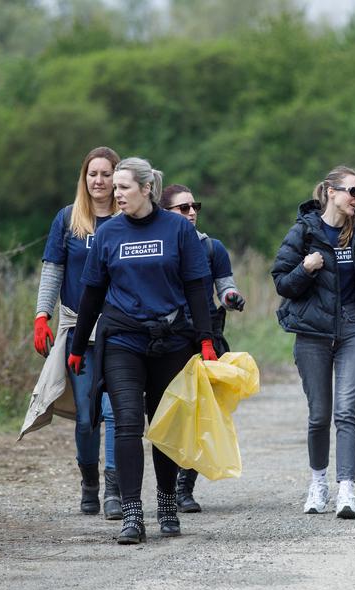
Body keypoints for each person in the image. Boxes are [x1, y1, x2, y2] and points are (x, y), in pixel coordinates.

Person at [68, 157, 217, 544]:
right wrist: (77, 345)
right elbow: (93, 292)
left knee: (165, 426)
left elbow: (198, 286)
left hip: (171, 340)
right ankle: (132, 513)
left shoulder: (177, 230)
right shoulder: (108, 234)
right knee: (129, 422)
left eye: (124, 187)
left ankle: (167, 503)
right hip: (122, 339)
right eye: (115, 188)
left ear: (146, 188)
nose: (117, 194)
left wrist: (205, 339)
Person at [271, 165, 355, 519]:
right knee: (319, 416)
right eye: (352, 191)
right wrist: (306, 268)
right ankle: (318, 484)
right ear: (330, 192)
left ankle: (346, 490)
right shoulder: (303, 232)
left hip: (353, 331)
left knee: (346, 413)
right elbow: (282, 283)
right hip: (313, 333)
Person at [33, 146, 121, 519]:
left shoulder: (128, 222)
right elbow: (53, 269)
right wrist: (41, 315)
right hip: (77, 333)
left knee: (115, 412)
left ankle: (115, 489)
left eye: (105, 174)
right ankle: (89, 482)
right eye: (92, 174)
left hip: (120, 332)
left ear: (118, 179)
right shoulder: (68, 219)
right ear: (84, 178)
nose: (98, 181)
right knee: (87, 416)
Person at [160, 184, 245, 513]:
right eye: (183, 208)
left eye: (194, 206)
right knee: (171, 413)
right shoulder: (160, 247)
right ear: (165, 213)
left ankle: (185, 487)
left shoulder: (212, 248)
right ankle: (163, 484)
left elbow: (224, 285)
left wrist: (231, 298)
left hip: (204, 337)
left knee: (199, 413)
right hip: (165, 338)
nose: (192, 212)